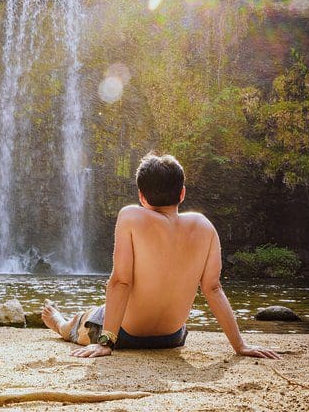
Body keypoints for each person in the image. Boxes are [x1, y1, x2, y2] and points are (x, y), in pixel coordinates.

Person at [42, 153, 280, 359]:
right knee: (106, 309)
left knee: (86, 319)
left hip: (125, 336)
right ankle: (71, 321)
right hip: (173, 337)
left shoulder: (131, 216)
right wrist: (240, 345)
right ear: (183, 193)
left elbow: (121, 281)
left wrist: (105, 344)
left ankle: (62, 324)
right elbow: (213, 288)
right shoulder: (204, 226)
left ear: (142, 197)